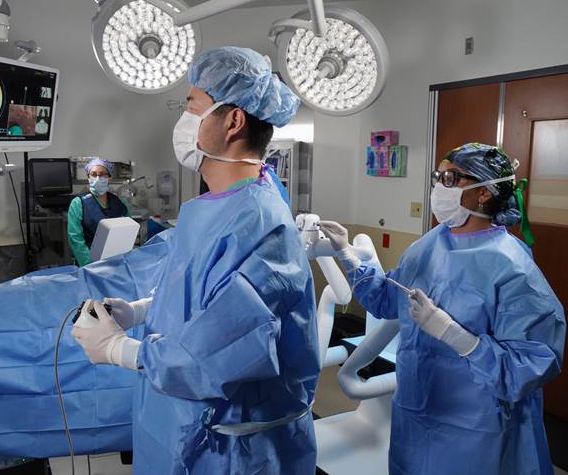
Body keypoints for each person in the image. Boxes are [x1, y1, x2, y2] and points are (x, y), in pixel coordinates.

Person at [71, 47, 320, 474]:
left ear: (233, 120)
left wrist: (118, 349)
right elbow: (200, 296)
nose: (183, 118)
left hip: (233, 451)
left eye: (191, 104)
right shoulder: (212, 207)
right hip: (185, 427)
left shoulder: (262, 227)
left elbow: (219, 353)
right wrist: (140, 312)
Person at [320, 143, 565, 475]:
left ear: (485, 192)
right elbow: (387, 300)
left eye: (451, 177)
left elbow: (528, 368)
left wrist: (453, 335)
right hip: (417, 410)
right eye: (438, 176)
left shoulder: (512, 267)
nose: (439, 187)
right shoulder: (429, 244)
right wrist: (347, 255)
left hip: (477, 427)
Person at [67, 157, 131, 266]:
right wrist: (90, 265)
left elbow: (128, 232)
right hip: (89, 263)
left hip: (117, 261)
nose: (98, 178)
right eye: (93, 174)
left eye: (102, 174)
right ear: (88, 177)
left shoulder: (120, 203)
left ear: (109, 177)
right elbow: (75, 239)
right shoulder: (78, 204)